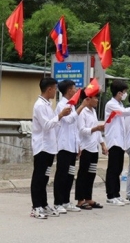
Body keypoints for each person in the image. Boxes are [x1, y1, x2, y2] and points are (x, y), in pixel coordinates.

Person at [30, 77, 72, 219]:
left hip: (50, 147)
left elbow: (55, 124)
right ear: (49, 89)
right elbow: (46, 125)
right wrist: (60, 115)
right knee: (39, 177)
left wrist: (60, 117)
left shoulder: (48, 104)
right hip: (42, 146)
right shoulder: (40, 106)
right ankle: (36, 206)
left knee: (45, 178)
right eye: (54, 88)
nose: (56, 91)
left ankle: (43, 204)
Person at [53, 80, 87, 214]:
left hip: (72, 145)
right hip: (63, 145)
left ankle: (66, 201)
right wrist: (82, 106)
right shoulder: (62, 105)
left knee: (70, 175)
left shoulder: (72, 105)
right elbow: (69, 119)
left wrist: (78, 144)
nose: (76, 89)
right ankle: (58, 202)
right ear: (68, 90)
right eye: (74, 88)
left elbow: (75, 128)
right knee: (62, 174)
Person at [75, 90, 107, 210]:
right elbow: (82, 130)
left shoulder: (93, 112)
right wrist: (96, 128)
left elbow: (97, 131)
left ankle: (88, 198)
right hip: (85, 147)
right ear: (88, 99)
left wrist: (103, 144)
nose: (97, 100)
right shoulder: (82, 112)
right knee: (83, 174)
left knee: (91, 174)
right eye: (95, 98)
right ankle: (80, 200)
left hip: (94, 148)